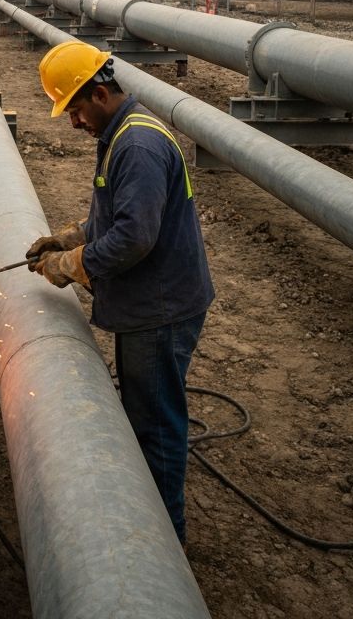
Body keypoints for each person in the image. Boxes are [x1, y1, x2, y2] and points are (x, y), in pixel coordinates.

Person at [26, 42, 214, 546]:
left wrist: (72, 265)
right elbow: (119, 218)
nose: (74, 122)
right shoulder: (123, 135)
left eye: (76, 109)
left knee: (155, 427)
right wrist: (69, 238)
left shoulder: (137, 146)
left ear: (101, 93)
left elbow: (134, 237)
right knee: (146, 414)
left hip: (159, 309)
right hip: (153, 302)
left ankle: (161, 546)